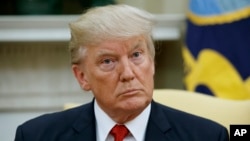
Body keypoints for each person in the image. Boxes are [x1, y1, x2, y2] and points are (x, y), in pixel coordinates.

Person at [14, 4, 229, 141]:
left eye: (136, 55)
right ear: (82, 77)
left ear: (152, 63)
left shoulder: (208, 136)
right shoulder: (35, 136)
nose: (128, 73)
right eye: (108, 61)